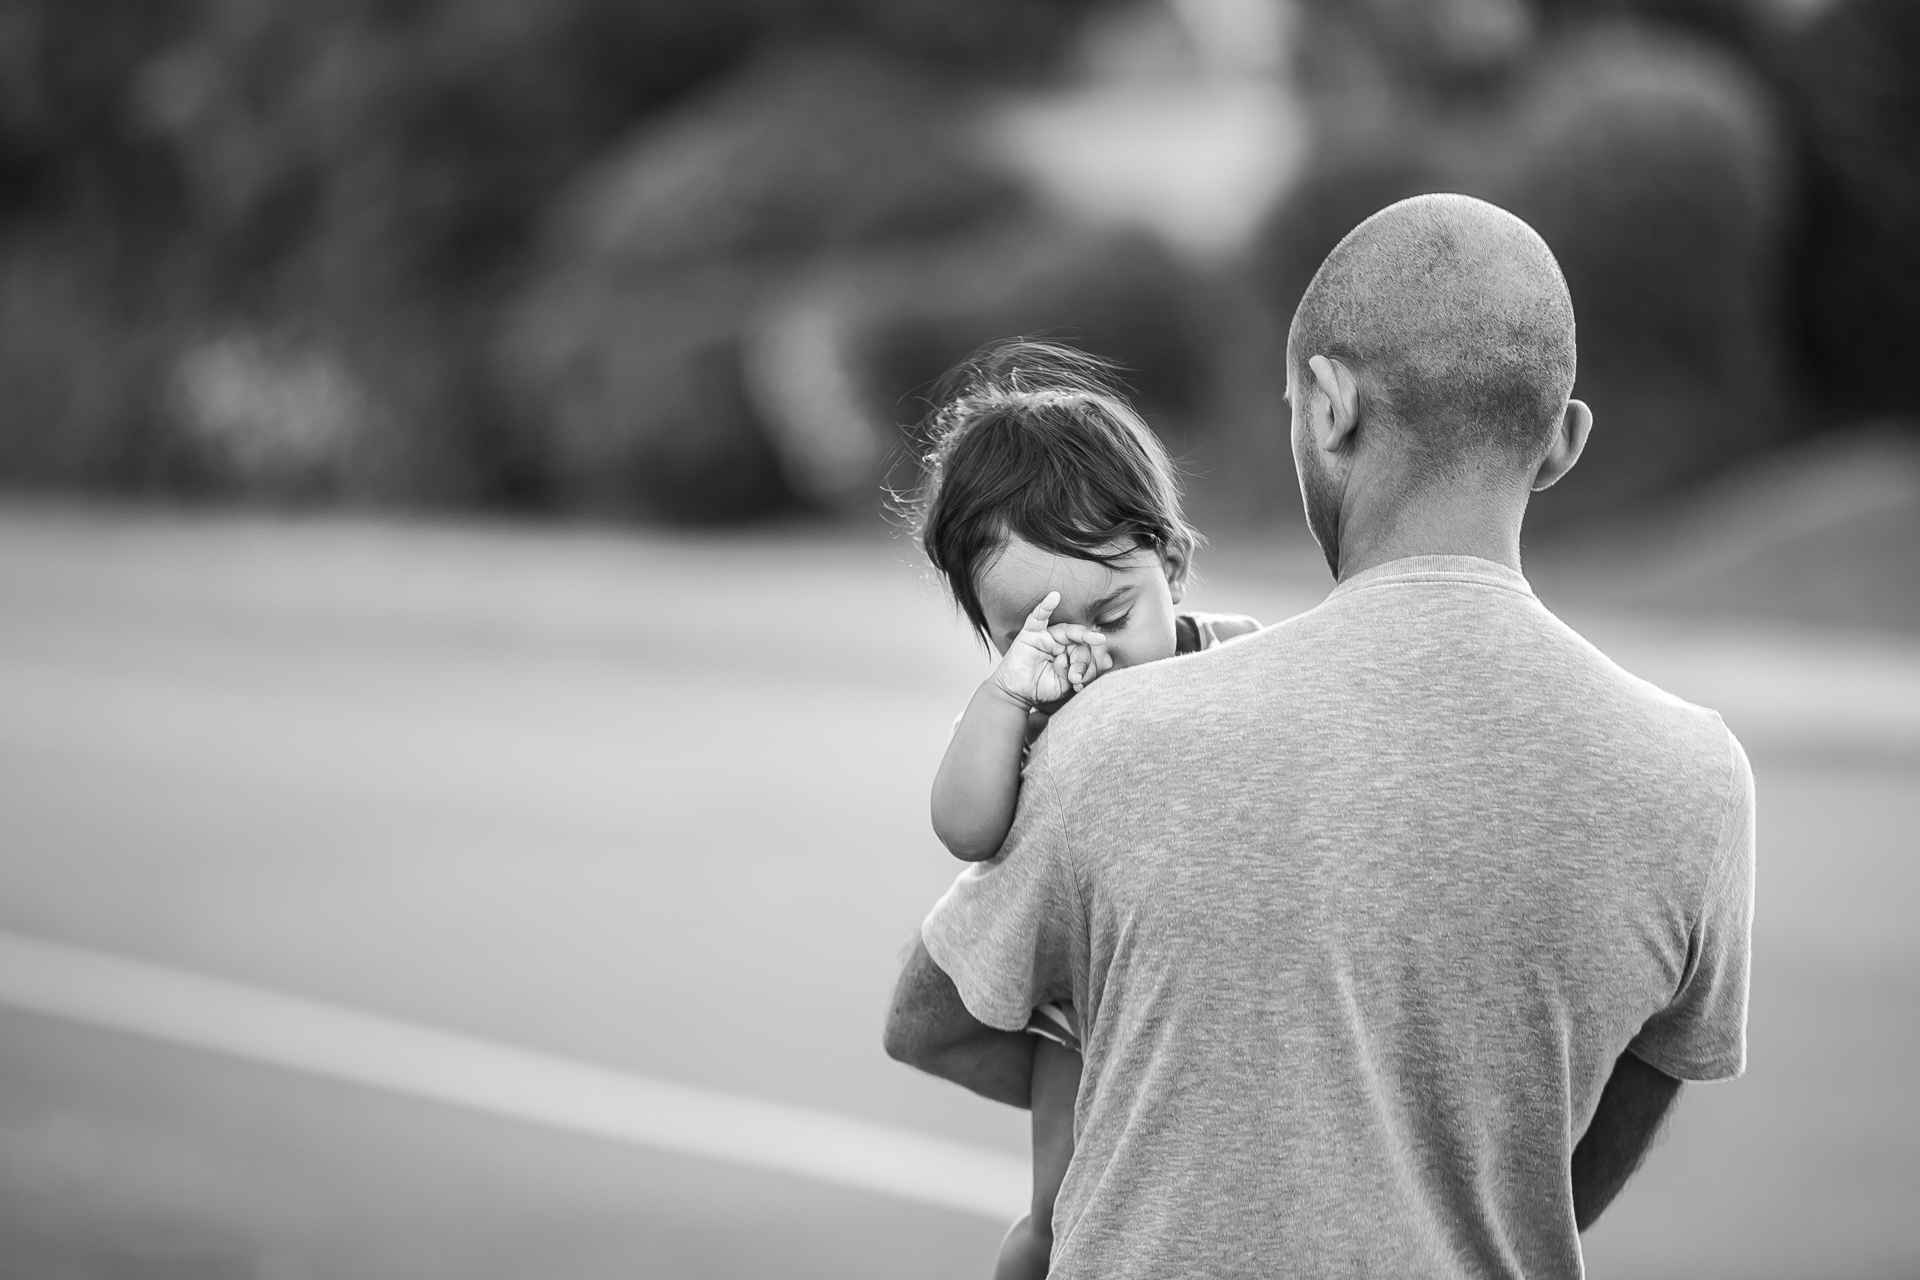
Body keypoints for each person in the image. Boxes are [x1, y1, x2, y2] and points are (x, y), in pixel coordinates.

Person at [884, 194, 1756, 1278]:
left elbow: (935, 1014)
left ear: (1329, 404)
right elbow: (1639, 1086)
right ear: (1562, 442)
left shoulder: (1117, 740)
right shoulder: (1699, 780)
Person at [913, 340, 1259, 1279]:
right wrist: (1005, 699)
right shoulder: (1026, 706)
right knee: (1065, 1207)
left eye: (1110, 618)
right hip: (1081, 997)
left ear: (1173, 567)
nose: (1085, 658)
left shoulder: (1235, 659)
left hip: (1208, 981)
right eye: (1035, 632)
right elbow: (965, 829)